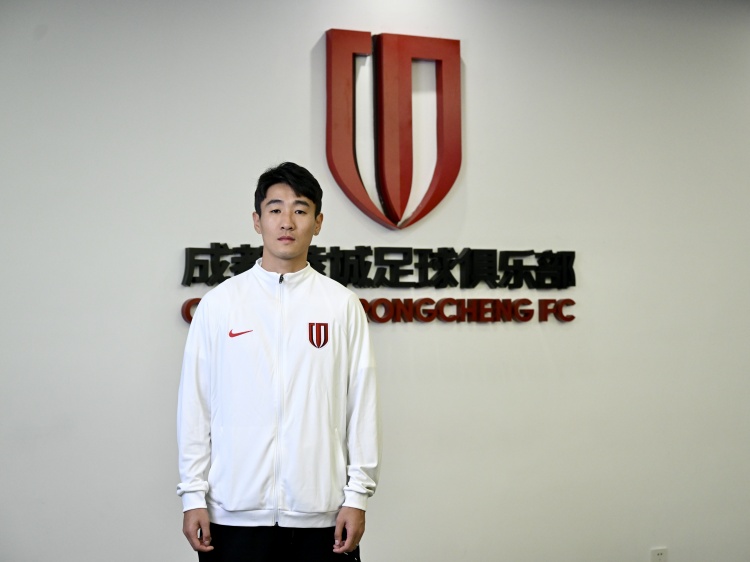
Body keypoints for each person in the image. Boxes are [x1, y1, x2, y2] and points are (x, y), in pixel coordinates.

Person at [177, 162, 380, 561]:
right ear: (257, 220)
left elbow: (362, 405)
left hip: (321, 516)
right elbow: (195, 405)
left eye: (300, 210)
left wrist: (357, 496)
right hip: (232, 515)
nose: (287, 221)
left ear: (318, 222)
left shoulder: (341, 305)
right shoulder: (220, 304)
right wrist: (193, 495)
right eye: (275, 209)